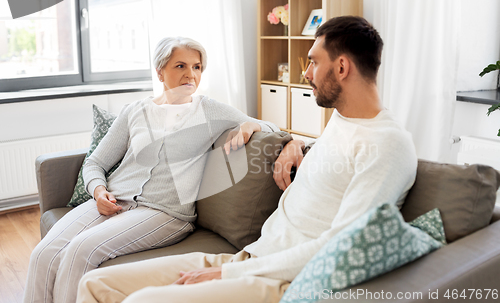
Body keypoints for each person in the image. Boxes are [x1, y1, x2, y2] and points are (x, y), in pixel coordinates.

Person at [76, 16, 418, 303]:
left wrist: (228, 273)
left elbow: (341, 246)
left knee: (139, 301)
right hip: (251, 256)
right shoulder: (342, 121)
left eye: (313, 61)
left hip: (280, 280)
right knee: (95, 284)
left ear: (342, 67)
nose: (306, 73)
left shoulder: (388, 145)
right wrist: (293, 141)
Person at [23, 37, 278, 303]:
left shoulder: (210, 110)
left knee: (80, 251)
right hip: (113, 198)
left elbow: (272, 127)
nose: (190, 74)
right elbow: (95, 162)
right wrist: (98, 191)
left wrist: (251, 126)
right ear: (160, 71)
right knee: (44, 253)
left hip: (165, 212)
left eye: (197, 67)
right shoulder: (135, 110)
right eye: (180, 66)